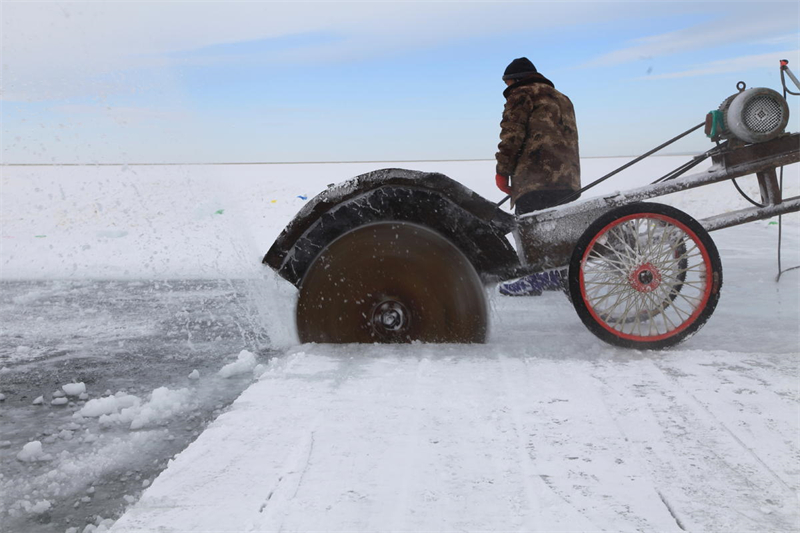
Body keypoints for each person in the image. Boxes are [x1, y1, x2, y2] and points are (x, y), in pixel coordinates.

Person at [494, 57, 581, 296]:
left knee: (531, 228)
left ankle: (534, 279)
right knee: (558, 229)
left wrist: (502, 172)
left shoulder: (522, 94)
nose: (507, 85)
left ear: (515, 79)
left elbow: (511, 136)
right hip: (568, 179)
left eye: (507, 81)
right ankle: (558, 276)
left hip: (535, 177)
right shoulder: (563, 99)